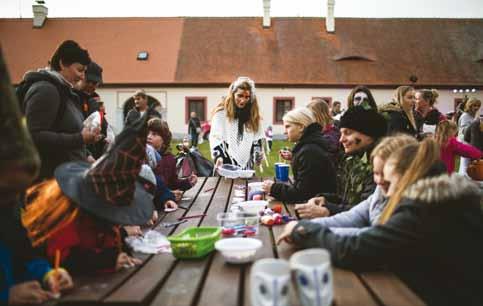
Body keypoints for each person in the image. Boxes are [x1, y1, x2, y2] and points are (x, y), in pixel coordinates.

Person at [277, 139, 483, 306]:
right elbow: (361, 229)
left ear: (409, 176)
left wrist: (305, 231)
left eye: (390, 181)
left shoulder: (423, 210)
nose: (388, 191)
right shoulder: (436, 202)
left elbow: (358, 249)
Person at [22, 111, 156, 274]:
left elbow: (110, 239)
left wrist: (122, 254)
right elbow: (64, 258)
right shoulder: (67, 210)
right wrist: (107, 260)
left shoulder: (102, 212)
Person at [0, 48, 73, 305]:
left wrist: (47, 273)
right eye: (6, 191)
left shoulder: (6, 211)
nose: (12, 199)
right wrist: (5, 296)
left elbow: (23, 253)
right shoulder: (45, 89)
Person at [299, 135, 417, 236]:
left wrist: (311, 230)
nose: (379, 181)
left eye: (386, 174)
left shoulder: (410, 208)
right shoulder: (379, 190)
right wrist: (307, 225)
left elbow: (367, 238)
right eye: (376, 173)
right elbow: (355, 215)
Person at [20, 40, 100, 181]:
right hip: (50, 183)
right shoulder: (46, 89)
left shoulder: (64, 90)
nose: (82, 76)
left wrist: (87, 155)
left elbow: (65, 130)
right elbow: (34, 136)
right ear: (63, 64)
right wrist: (81, 139)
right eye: (80, 70)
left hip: (68, 177)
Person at [262, 108, 337, 202]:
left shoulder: (310, 152)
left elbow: (301, 194)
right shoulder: (309, 146)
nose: (285, 131)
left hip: (318, 210)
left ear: (301, 127)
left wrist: (273, 188)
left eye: (288, 126)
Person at [209, 76, 265, 170]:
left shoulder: (253, 115)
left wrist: (258, 153)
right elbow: (216, 137)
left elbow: (257, 139)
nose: (243, 100)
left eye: (247, 97)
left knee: (245, 184)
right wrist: (218, 157)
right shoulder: (221, 114)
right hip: (225, 160)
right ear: (233, 94)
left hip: (247, 166)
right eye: (240, 95)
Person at [147, 118, 197, 199]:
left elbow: (172, 183)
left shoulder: (170, 159)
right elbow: (146, 188)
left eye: (154, 134)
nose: (148, 137)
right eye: (147, 133)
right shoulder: (143, 157)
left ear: (164, 140)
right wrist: (168, 195)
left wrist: (187, 182)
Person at [458, 97, 481, 174]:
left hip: (470, 143)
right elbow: (464, 130)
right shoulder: (465, 116)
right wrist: (475, 123)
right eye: (474, 105)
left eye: (478, 106)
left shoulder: (472, 116)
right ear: (470, 106)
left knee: (469, 166)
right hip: (464, 143)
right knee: (465, 166)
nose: (476, 108)